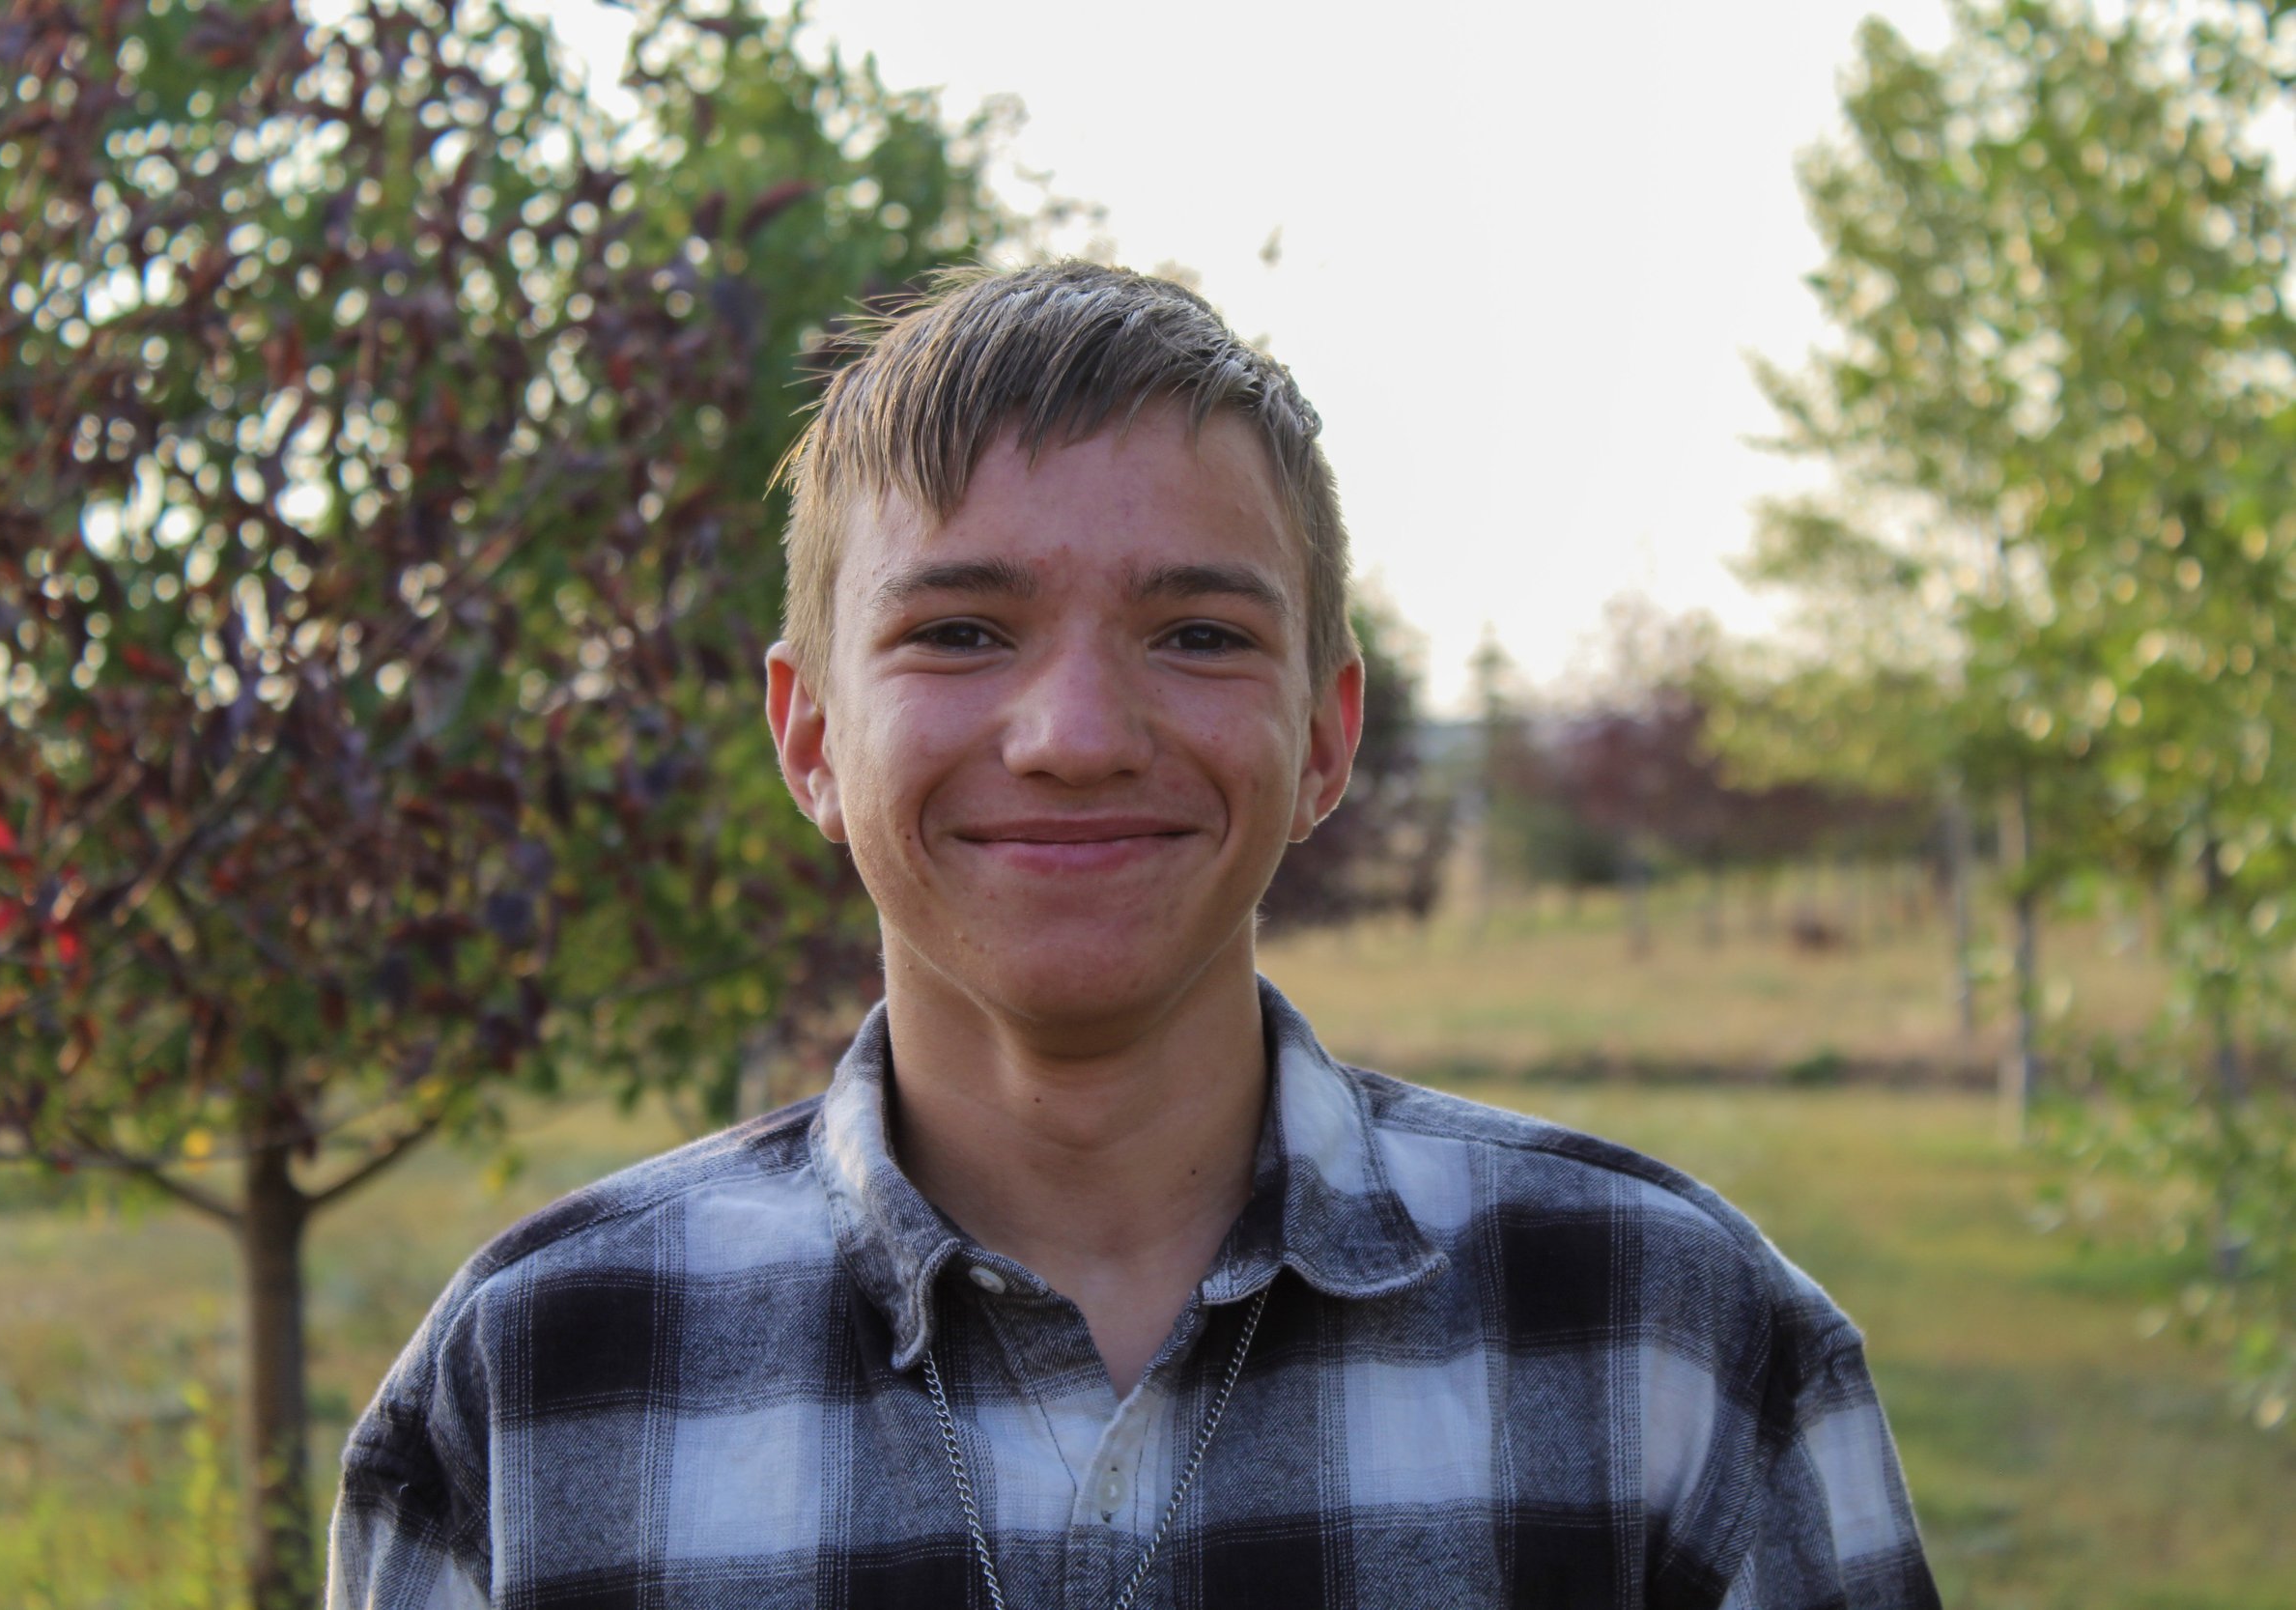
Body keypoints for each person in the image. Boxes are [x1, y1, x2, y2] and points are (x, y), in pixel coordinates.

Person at [327, 262, 1941, 1609]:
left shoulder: (1672, 1343)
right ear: (810, 733)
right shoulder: (534, 1392)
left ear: (1326, 734)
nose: (1078, 732)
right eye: (961, 631)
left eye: (1196, 633)